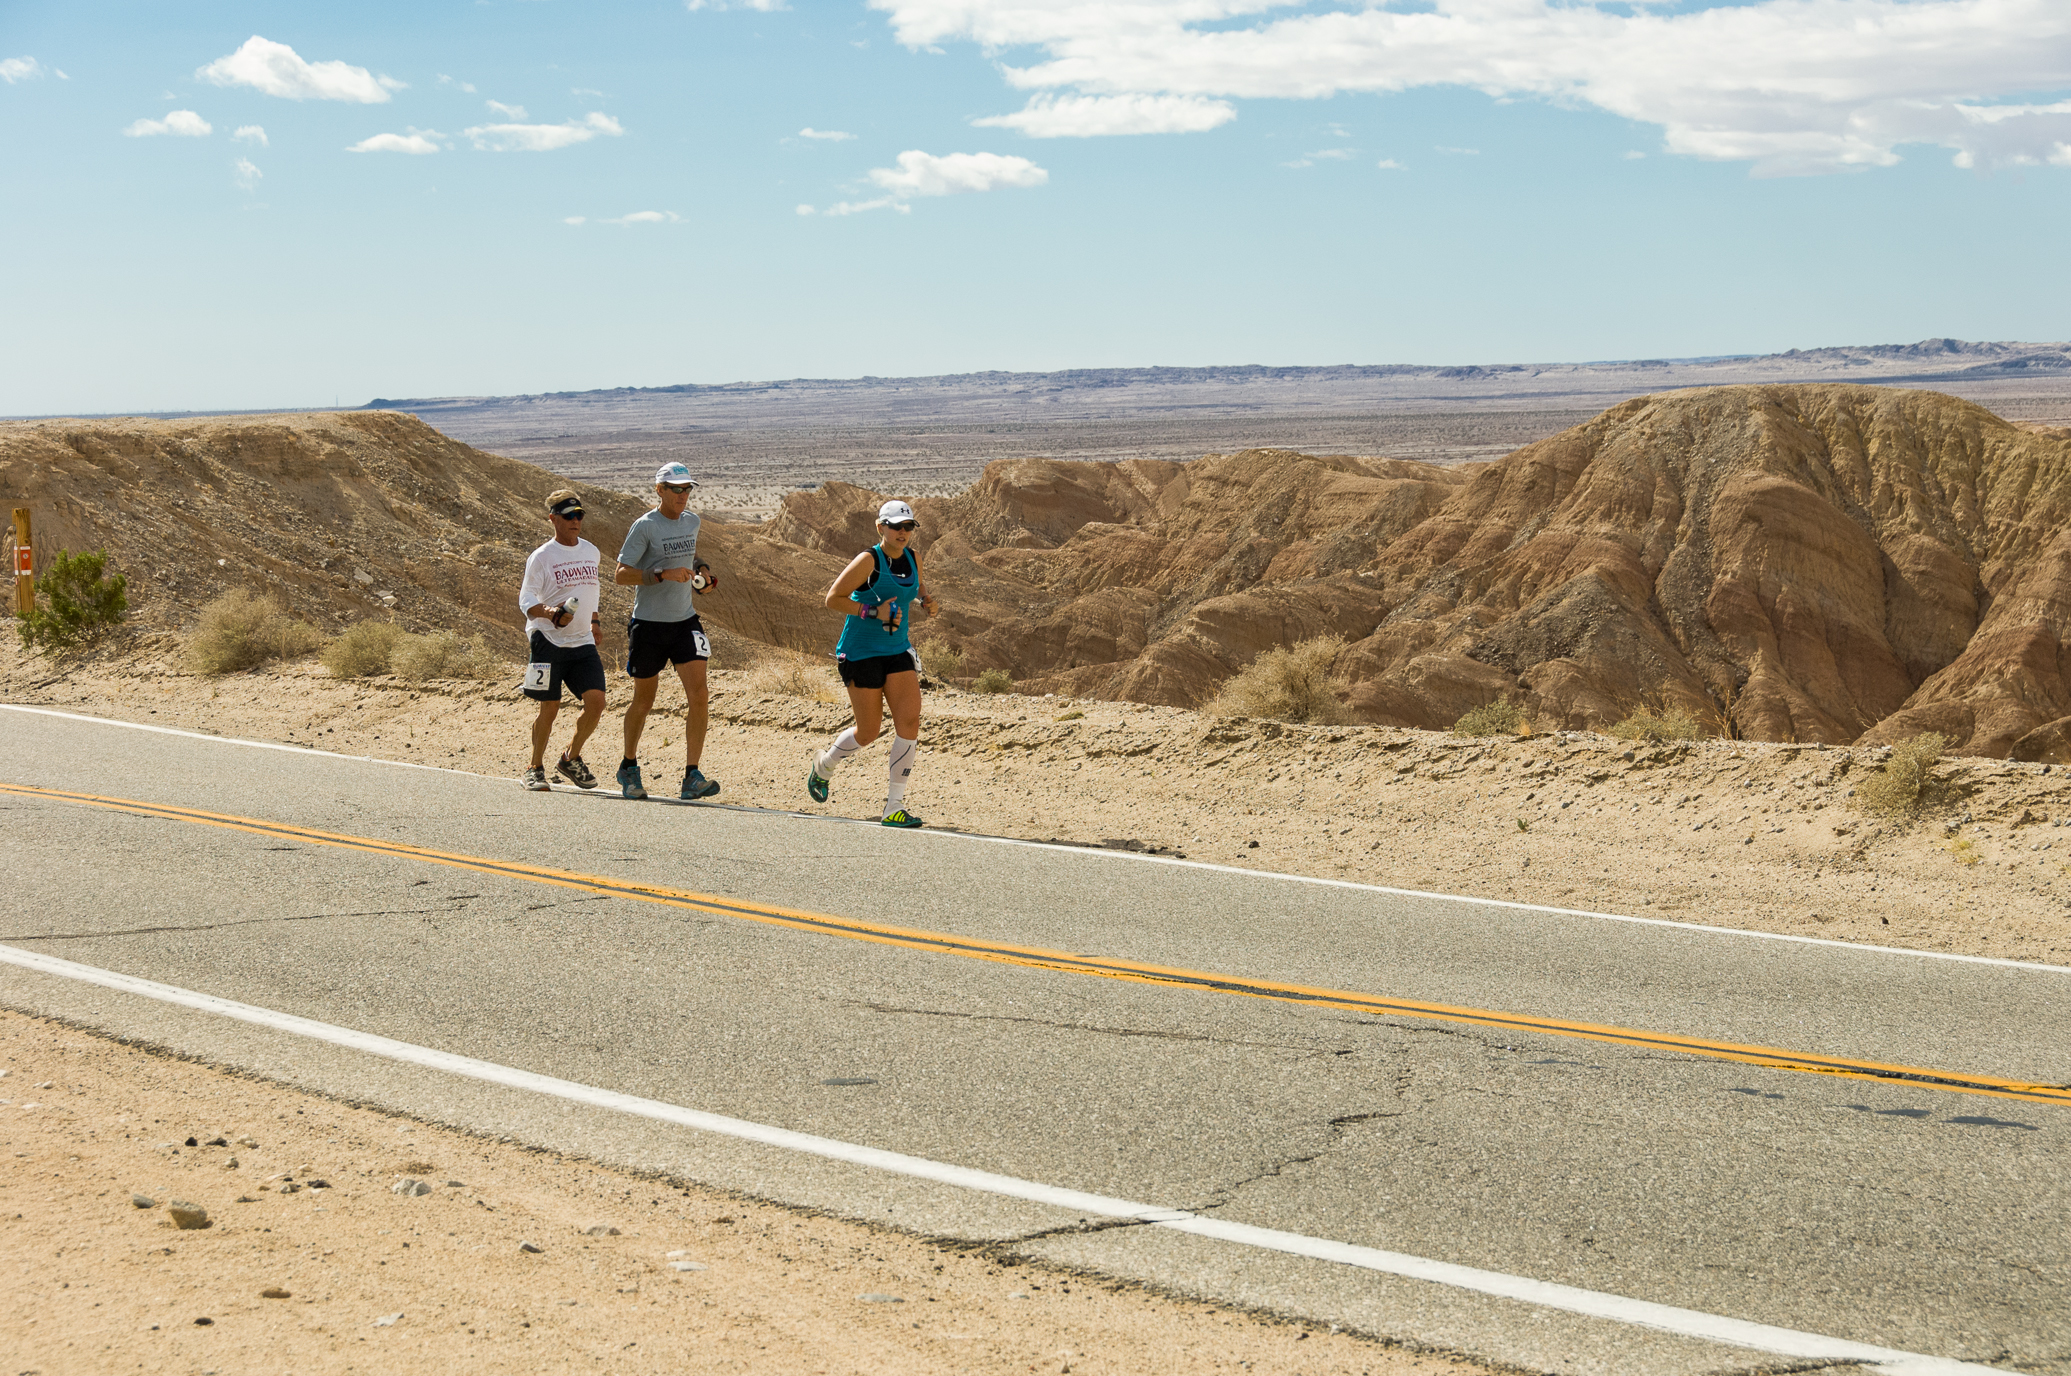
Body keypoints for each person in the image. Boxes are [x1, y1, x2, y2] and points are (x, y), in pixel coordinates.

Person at [805, 499, 938, 827]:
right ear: (881, 527)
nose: (903, 533)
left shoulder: (914, 558)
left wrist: (927, 602)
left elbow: (916, 589)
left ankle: (894, 807)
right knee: (869, 731)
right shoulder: (869, 560)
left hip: (897, 649)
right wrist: (871, 611)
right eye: (896, 526)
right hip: (860, 652)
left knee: (909, 721)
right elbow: (833, 599)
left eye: (909, 527)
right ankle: (824, 766)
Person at [613, 461, 722, 802]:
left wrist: (701, 571)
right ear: (659, 490)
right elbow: (620, 574)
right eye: (676, 489)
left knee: (700, 694)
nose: (683, 495)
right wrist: (660, 575)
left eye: (687, 488)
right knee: (644, 701)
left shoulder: (692, 521)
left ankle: (692, 775)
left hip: (684, 621)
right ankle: (628, 766)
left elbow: (688, 551)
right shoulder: (645, 526)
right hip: (648, 624)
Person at [518, 490, 606, 791]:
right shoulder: (542, 557)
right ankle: (534, 766)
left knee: (597, 703)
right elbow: (526, 599)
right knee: (550, 708)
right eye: (569, 516)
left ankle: (570, 758)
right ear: (553, 518)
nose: (575, 521)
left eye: (579, 514)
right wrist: (551, 613)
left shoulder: (591, 551)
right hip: (547, 639)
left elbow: (590, 590)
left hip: (581, 641)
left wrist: (593, 622)